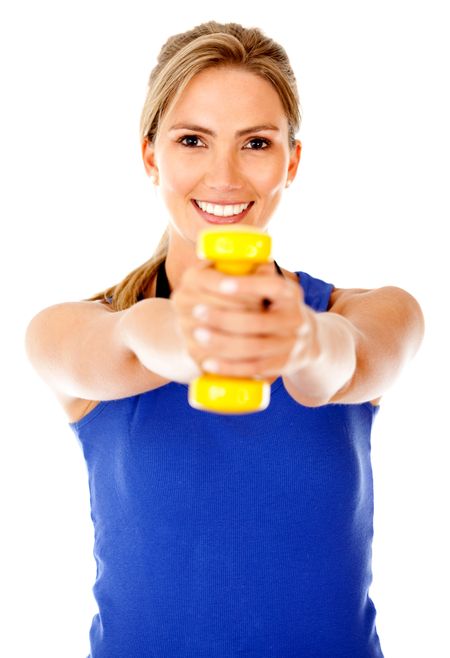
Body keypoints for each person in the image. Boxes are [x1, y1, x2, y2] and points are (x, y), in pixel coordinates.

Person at [25, 20, 424, 658]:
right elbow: (127, 346)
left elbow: (345, 365)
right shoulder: (69, 327)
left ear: (292, 159)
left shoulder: (375, 310)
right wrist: (183, 331)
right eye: (192, 140)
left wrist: (301, 340)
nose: (225, 177)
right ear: (151, 154)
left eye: (256, 143)